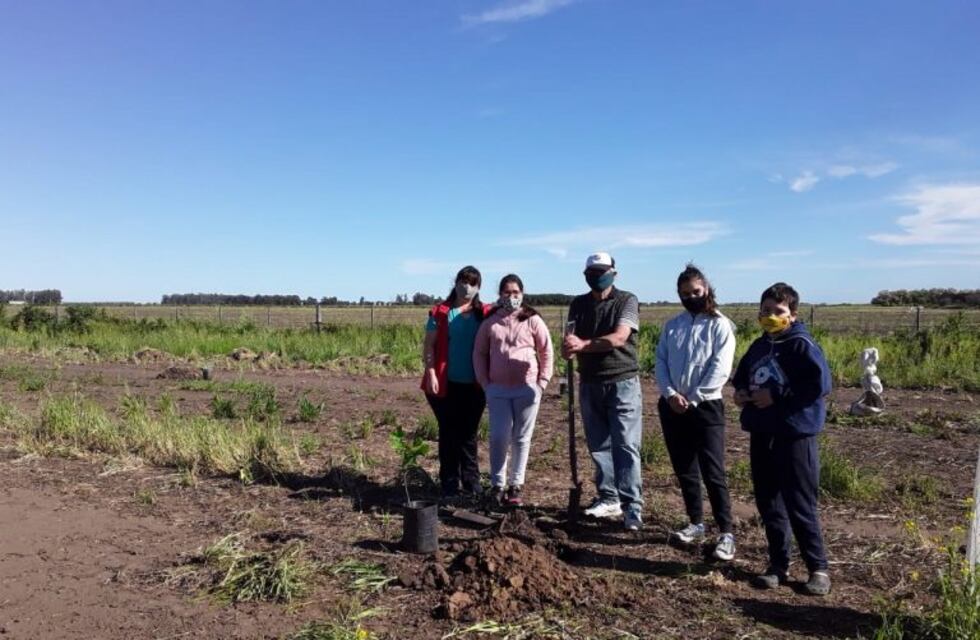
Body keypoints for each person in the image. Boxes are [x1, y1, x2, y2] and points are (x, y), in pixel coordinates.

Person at [732, 282, 832, 596]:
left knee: (800, 502)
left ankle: (818, 568)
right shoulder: (760, 346)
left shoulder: (801, 345)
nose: (770, 316)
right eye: (765, 311)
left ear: (793, 314)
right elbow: (743, 375)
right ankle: (778, 564)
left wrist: (776, 395)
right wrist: (741, 394)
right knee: (768, 501)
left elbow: (819, 385)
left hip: (794, 434)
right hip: (763, 432)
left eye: (778, 311)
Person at [655, 264, 737, 560]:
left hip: (705, 407)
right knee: (685, 469)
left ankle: (726, 532)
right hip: (672, 405)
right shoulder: (672, 326)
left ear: (707, 290)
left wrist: (694, 397)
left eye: (696, 292)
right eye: (685, 293)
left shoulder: (720, 325)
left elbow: (721, 368)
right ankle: (695, 523)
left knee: (713, 471)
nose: (691, 297)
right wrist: (670, 394)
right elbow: (661, 362)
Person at [562, 252, 644, 531]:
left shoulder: (627, 301)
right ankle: (608, 497)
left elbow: (620, 337)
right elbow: (570, 337)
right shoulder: (578, 304)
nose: (597, 277)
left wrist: (583, 345)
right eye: (592, 272)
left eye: (602, 271)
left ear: (614, 273)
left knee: (626, 444)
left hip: (622, 382)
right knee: (599, 444)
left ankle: (632, 505)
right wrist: (569, 347)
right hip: (589, 382)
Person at [473, 274, 554, 507]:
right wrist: (485, 383)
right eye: (507, 292)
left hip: (527, 389)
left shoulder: (532, 320)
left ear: (523, 294)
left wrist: (542, 383)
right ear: (499, 295)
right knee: (499, 437)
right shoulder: (490, 322)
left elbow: (546, 351)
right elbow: (479, 353)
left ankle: (515, 485)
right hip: (497, 390)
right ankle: (497, 484)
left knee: (521, 438)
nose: (511, 297)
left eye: (515, 292)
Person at [421, 266, 491, 503]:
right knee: (449, 433)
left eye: (472, 283)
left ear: (479, 287)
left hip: (475, 386)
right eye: (463, 281)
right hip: (445, 384)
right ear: (456, 282)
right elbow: (429, 346)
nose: (466, 287)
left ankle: (472, 483)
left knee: (469, 434)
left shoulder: (485, 313)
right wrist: (430, 372)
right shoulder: (441, 312)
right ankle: (449, 484)